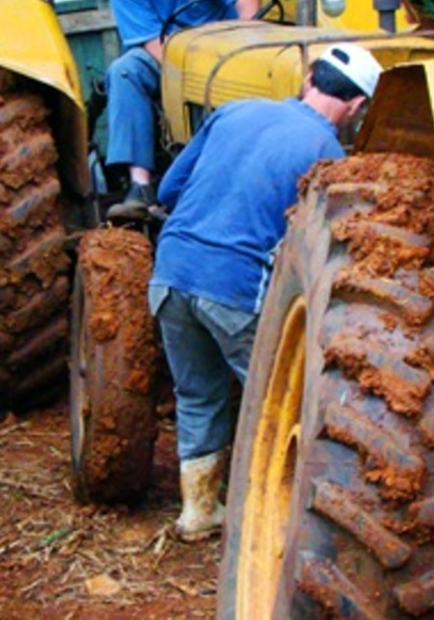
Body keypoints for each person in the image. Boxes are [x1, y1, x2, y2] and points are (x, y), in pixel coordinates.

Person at [148, 43, 383, 542]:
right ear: (357, 107)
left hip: (170, 273)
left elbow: (169, 191)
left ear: (309, 80)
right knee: (279, 404)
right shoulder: (329, 155)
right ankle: (278, 518)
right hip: (233, 288)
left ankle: (198, 511)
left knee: (196, 394)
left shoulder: (233, 111)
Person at [103, 0, 260, 220]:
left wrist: (245, 52)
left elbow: (248, 2)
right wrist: (195, 74)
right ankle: (140, 186)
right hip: (162, 48)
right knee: (123, 72)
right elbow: (149, 41)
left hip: (226, 44)